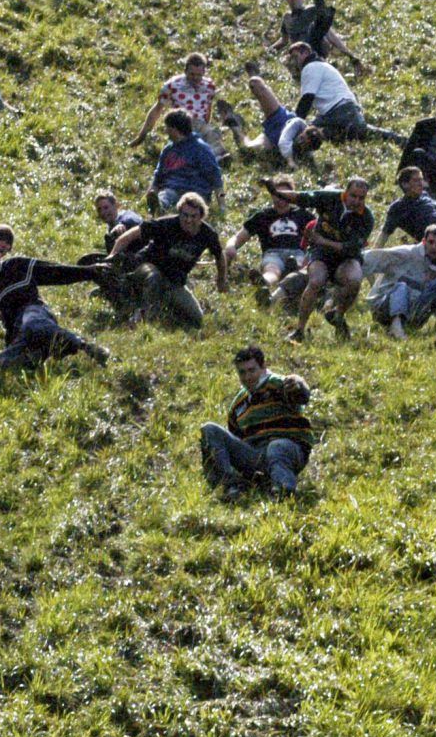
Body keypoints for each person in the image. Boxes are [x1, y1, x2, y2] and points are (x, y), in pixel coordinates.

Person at [0, 241, 112, 371]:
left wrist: (90, 271)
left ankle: (85, 347)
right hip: (19, 335)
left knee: (32, 323)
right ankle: (42, 353)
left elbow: (55, 272)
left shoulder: (17, 265)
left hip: (36, 313)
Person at [266, 176, 374, 342]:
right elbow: (302, 197)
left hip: (346, 257)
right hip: (321, 254)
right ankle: (300, 329)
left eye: (361, 198)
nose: (356, 201)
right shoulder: (330, 198)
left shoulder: (366, 217)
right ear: (345, 193)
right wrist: (276, 192)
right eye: (353, 196)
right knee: (316, 281)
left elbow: (350, 247)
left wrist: (322, 240)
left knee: (355, 280)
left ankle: (338, 314)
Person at [199, 346, 314, 497]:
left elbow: (302, 395)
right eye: (242, 372)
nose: (247, 377)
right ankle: (229, 486)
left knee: (276, 446)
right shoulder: (238, 404)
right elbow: (235, 439)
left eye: (252, 370)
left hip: (288, 449)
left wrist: (298, 384)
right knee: (210, 429)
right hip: (256, 457)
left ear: (263, 367)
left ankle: (284, 491)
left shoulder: (278, 385)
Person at [106, 191, 228, 327]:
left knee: (196, 319)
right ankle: (145, 318)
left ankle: (163, 303)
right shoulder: (166, 224)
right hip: (147, 266)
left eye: (193, 216)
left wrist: (221, 280)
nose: (188, 220)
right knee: (154, 278)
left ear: (201, 216)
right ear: (179, 212)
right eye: (185, 215)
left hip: (174, 281)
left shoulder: (208, 234)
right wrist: (111, 256)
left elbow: (219, 256)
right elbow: (129, 235)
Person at [223, 178, 315, 302]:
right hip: (273, 253)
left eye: (285, 194)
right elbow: (239, 237)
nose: (281, 198)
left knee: (298, 262)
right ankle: (264, 282)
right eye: (277, 194)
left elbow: (317, 236)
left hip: (297, 252)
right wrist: (231, 246)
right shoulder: (263, 216)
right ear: (272, 195)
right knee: (272, 269)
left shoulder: (303, 215)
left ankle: (292, 271)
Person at [286, 42, 397, 143]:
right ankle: (399, 140)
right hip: (349, 110)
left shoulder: (310, 67)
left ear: (305, 52)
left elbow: (307, 99)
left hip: (338, 111)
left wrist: (294, 124)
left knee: (307, 134)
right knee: (362, 132)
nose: (295, 62)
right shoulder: (323, 66)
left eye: (296, 57)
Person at [362, 223, 436, 337]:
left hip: (412, 311)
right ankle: (396, 328)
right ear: (424, 242)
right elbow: (370, 259)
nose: (434, 247)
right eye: (431, 242)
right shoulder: (406, 253)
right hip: (384, 308)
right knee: (402, 286)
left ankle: (407, 325)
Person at [131, 52, 225, 155]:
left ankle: (216, 157)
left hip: (201, 125)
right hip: (181, 123)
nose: (195, 78)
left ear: (204, 72)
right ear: (185, 71)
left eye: (199, 75)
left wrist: (206, 122)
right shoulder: (173, 85)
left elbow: (208, 107)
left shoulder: (209, 86)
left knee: (212, 134)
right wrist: (142, 136)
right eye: (192, 74)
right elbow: (158, 109)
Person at [236, 74, 325, 164]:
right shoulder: (297, 123)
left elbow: (307, 155)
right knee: (255, 83)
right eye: (301, 138)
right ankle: (255, 72)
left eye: (303, 143)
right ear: (304, 130)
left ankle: (237, 126)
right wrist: (290, 160)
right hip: (278, 117)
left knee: (248, 149)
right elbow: (284, 140)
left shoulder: (308, 148)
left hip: (272, 139)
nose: (300, 141)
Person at [271, 0, 363, 70]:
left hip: (316, 46)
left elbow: (330, 35)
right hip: (299, 51)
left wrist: (350, 55)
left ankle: (324, 16)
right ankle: (323, 18)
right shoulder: (287, 18)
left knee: (317, 28)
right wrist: (270, 50)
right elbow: (284, 40)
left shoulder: (311, 11)